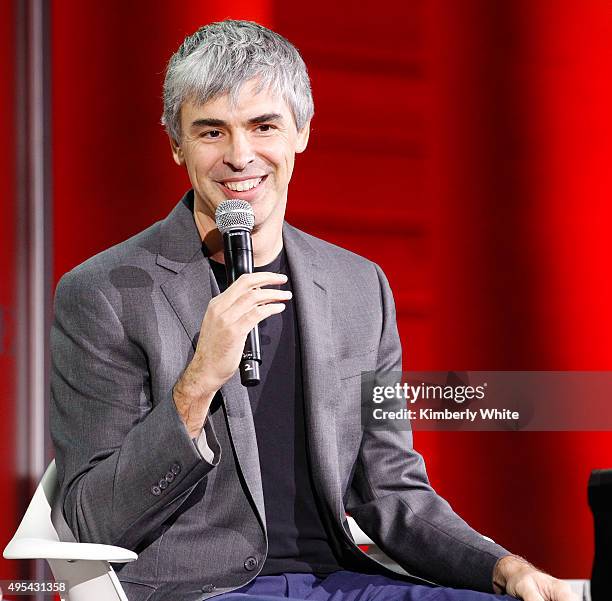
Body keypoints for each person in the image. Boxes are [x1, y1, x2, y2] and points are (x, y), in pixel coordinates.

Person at [50, 20, 577, 601]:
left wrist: (501, 567)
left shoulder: (358, 286)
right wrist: (198, 383)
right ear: (176, 144)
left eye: (263, 126)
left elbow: (390, 490)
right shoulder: (105, 292)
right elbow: (88, 519)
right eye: (211, 132)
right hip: (200, 589)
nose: (239, 155)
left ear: (301, 132)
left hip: (343, 581)